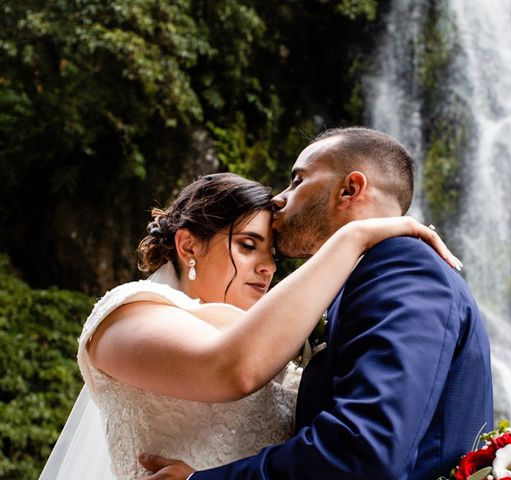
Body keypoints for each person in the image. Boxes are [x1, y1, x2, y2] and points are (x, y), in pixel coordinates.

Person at [39, 171, 460, 480]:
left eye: (273, 255)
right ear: (188, 245)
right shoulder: (127, 312)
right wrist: (354, 238)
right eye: (247, 245)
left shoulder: (280, 357)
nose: (267, 268)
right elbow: (230, 369)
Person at [140, 127, 493, 480]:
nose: (279, 198)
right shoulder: (363, 281)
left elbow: (366, 447)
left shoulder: (403, 266)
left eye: (297, 180)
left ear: (350, 189)